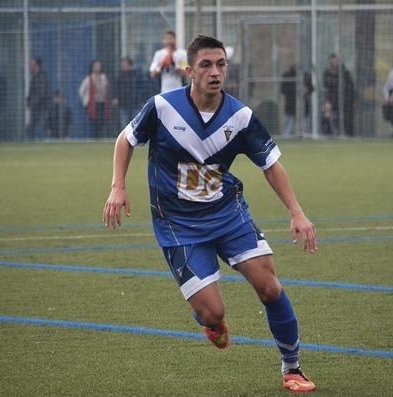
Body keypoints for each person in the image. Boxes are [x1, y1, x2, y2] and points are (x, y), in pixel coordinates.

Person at [104, 35, 317, 393]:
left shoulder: (241, 117)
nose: (214, 71)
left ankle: (292, 369)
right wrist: (117, 185)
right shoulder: (161, 108)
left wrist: (297, 211)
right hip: (178, 225)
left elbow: (271, 165)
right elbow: (126, 139)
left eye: (220, 64)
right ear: (190, 71)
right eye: (206, 65)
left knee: (268, 284)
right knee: (213, 313)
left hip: (227, 214)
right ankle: (209, 320)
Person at [323, 54, 354, 136]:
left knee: (345, 118)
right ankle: (329, 133)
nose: (334, 63)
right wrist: (337, 82)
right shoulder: (327, 72)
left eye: (336, 61)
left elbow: (348, 85)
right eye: (332, 62)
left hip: (344, 100)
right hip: (332, 99)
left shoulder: (344, 72)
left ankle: (346, 133)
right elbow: (326, 83)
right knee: (327, 113)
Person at [79, 60, 112, 138]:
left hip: (102, 102)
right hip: (92, 104)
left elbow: (107, 89)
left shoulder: (104, 77)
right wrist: (86, 101)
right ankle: (93, 137)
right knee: (93, 121)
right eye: (96, 66)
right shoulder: (89, 78)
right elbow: (81, 91)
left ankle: (100, 137)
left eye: (99, 65)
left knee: (101, 121)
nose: (97, 67)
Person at [113, 56, 148, 128]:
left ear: (130, 65)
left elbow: (143, 88)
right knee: (124, 125)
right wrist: (116, 98)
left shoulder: (138, 75)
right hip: (124, 104)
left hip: (136, 104)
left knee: (136, 124)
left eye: (124, 65)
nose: (122, 67)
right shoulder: (120, 76)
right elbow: (117, 88)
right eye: (122, 65)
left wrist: (141, 99)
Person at [280, 65, 314, 137]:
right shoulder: (287, 75)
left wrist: (306, 90)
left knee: (304, 122)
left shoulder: (306, 76)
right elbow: (283, 89)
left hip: (303, 104)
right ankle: (286, 136)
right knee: (289, 122)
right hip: (291, 103)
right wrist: (296, 90)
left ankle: (305, 135)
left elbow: (312, 88)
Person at [26, 57, 50, 139]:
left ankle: (44, 141)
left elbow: (41, 94)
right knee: (31, 127)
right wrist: (29, 102)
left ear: (36, 65)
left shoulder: (42, 77)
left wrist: (32, 103)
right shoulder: (34, 76)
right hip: (36, 107)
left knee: (42, 126)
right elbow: (32, 92)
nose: (30, 66)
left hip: (41, 107)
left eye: (32, 64)